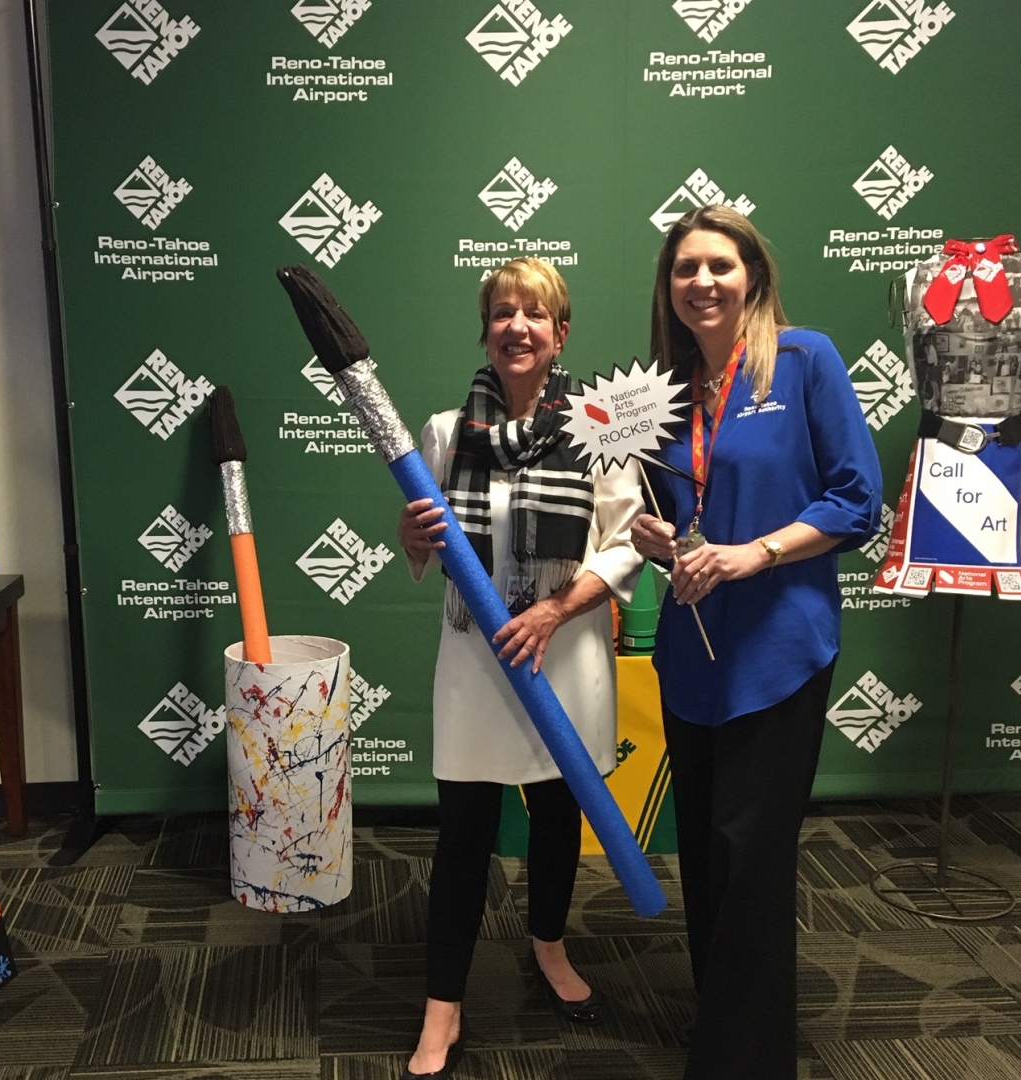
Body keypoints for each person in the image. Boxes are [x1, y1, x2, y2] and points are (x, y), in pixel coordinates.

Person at [627, 206, 881, 1080]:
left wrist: (757, 551)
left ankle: (746, 1059)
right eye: (684, 268)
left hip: (779, 649)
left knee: (751, 854)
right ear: (668, 288)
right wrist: (656, 540)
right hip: (691, 652)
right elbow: (666, 515)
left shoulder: (804, 360)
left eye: (718, 266)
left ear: (753, 277)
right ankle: (722, 1020)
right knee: (702, 848)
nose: (701, 281)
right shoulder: (658, 392)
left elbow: (856, 500)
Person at [397, 257, 644, 1079]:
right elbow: (425, 553)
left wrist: (550, 611)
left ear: (560, 332)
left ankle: (549, 945)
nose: (517, 327)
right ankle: (442, 1006)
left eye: (534, 314)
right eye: (502, 313)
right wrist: (411, 538)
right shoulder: (442, 431)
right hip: (475, 658)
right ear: (487, 330)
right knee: (463, 833)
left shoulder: (600, 428)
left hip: (563, 650)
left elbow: (621, 548)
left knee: (553, 818)